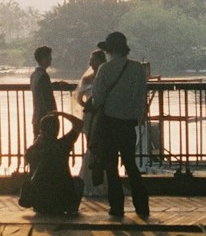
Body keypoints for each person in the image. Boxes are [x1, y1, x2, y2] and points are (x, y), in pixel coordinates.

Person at [89, 30, 150, 218]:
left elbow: (97, 99)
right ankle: (142, 206)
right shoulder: (137, 68)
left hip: (109, 124)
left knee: (111, 166)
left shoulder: (105, 69)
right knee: (131, 165)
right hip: (128, 125)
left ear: (109, 50)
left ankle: (117, 207)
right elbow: (141, 97)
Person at [21, 113, 84, 216]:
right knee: (78, 182)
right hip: (61, 202)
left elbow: (26, 159)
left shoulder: (34, 149)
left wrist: (37, 141)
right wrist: (62, 114)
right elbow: (79, 124)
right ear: (57, 130)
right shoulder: (63, 144)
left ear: (41, 130)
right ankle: (71, 207)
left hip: (40, 204)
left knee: (28, 182)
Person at [75, 46, 107, 192]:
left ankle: (99, 178)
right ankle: (90, 179)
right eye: (90, 60)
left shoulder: (104, 76)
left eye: (94, 60)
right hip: (91, 114)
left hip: (102, 114)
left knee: (102, 145)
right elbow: (79, 97)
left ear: (101, 61)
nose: (91, 63)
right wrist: (88, 106)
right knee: (91, 145)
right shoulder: (87, 78)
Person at [29, 45, 72, 140]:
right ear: (44, 59)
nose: (51, 59)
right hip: (45, 119)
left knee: (38, 145)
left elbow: (42, 89)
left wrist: (55, 85)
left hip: (36, 117)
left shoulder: (34, 75)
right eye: (49, 57)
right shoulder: (44, 76)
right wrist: (53, 116)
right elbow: (47, 99)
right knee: (48, 145)